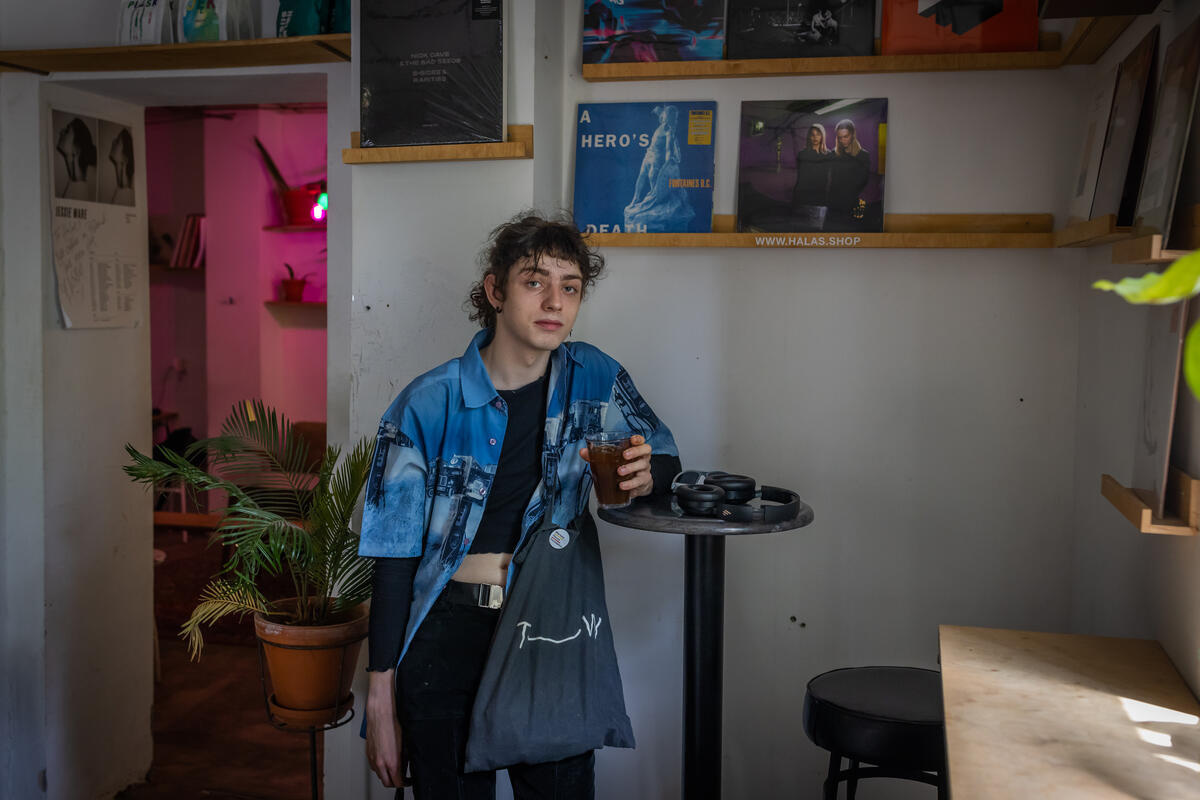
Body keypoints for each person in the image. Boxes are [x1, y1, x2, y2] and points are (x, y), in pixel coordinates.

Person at [361, 213, 681, 799]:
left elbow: (664, 455)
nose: (554, 301)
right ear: (495, 291)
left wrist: (645, 475)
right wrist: (379, 701)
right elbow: (392, 559)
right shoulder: (426, 404)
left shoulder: (594, 375)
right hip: (447, 638)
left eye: (570, 287)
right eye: (535, 282)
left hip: (550, 631)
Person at [826, 118, 871, 230]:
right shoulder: (832, 154)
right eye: (840, 137)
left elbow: (863, 182)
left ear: (853, 134)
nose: (843, 140)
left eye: (846, 136)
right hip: (833, 205)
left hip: (852, 205)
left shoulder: (863, 156)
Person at [792, 123, 832, 209]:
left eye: (818, 134)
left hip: (821, 196)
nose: (815, 137)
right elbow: (800, 178)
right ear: (809, 136)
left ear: (822, 136)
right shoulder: (802, 154)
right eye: (812, 134)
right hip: (803, 195)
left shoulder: (828, 155)